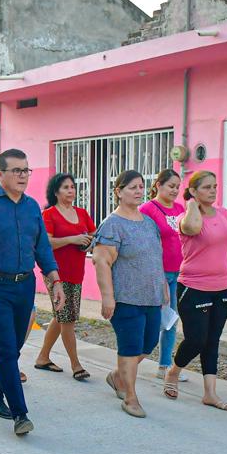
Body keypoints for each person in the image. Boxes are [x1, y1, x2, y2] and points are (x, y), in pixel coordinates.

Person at [0, 149, 64, 435]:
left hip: (25, 286)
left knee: (14, 347)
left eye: (26, 170)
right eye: (16, 171)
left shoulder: (32, 207)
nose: (22, 176)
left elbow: (42, 248)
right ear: (0, 174)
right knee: (6, 349)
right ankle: (21, 413)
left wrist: (55, 281)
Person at [163, 171, 227, 410]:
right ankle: (173, 372)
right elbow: (191, 228)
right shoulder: (186, 216)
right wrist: (191, 205)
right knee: (196, 340)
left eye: (215, 186)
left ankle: (210, 393)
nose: (212, 191)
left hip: (222, 287)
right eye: (206, 187)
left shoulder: (224, 214)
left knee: (212, 341)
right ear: (194, 191)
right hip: (193, 286)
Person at [92, 170, 169, 419]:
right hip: (125, 299)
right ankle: (130, 397)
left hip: (151, 296)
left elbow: (156, 257)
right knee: (129, 347)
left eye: (141, 187)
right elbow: (101, 261)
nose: (138, 192)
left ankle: (117, 377)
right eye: (132, 187)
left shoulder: (148, 223)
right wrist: (107, 297)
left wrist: (164, 286)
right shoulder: (112, 224)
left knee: (148, 344)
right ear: (119, 192)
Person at [33, 172, 95, 380]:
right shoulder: (49, 214)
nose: (71, 190)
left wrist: (88, 242)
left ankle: (42, 357)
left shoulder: (82, 212)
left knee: (61, 316)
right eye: (66, 187)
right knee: (67, 318)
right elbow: (46, 242)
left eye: (73, 186)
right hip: (55, 272)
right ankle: (76, 365)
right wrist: (73, 239)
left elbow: (92, 234)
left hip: (77, 270)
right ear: (56, 191)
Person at [141, 169, 186, 377]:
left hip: (179, 272)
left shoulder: (179, 208)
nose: (175, 190)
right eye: (171, 186)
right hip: (157, 273)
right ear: (158, 185)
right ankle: (130, 359)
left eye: (178, 186)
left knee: (171, 319)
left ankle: (164, 365)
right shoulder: (147, 209)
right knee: (154, 319)